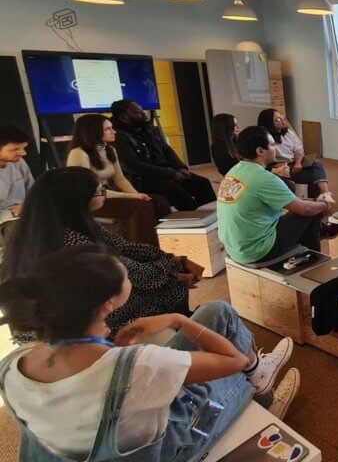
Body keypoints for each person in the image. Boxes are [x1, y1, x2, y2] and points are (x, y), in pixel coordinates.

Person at [0, 246, 299, 461]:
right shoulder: (137, 365)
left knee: (216, 311)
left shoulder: (11, 365)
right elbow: (233, 361)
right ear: (108, 304)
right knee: (239, 366)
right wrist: (177, 319)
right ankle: (258, 385)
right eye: (126, 276)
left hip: (101, 437)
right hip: (171, 449)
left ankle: (258, 375)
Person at [0, 167, 200, 336]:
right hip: (67, 320)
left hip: (82, 300)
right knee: (170, 286)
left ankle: (179, 325)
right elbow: (138, 274)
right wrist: (177, 270)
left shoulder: (54, 225)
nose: (104, 194)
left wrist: (174, 259)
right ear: (78, 199)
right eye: (100, 191)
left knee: (166, 277)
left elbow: (127, 248)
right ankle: (180, 331)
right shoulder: (69, 240)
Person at [218, 126, 331, 265]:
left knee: (310, 208)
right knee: (310, 212)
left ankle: (315, 236)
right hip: (257, 251)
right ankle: (316, 262)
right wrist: (324, 204)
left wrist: (313, 202)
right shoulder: (264, 178)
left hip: (234, 249)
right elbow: (305, 209)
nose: (275, 148)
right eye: (272, 145)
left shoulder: (235, 171)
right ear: (260, 151)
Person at [67, 114, 170, 246]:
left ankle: (170, 242)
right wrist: (134, 197)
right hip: (91, 200)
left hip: (105, 194)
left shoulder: (109, 149)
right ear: (93, 131)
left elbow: (120, 179)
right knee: (142, 207)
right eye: (108, 129)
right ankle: (148, 248)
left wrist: (136, 195)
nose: (114, 131)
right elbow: (92, 191)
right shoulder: (79, 153)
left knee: (159, 201)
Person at [110, 99, 216, 211]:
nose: (143, 113)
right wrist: (170, 174)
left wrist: (181, 167)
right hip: (142, 179)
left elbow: (167, 150)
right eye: (137, 112)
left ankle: (215, 216)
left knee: (202, 183)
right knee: (176, 191)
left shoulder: (150, 130)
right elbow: (133, 166)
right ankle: (197, 219)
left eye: (141, 110)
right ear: (124, 118)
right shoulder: (119, 137)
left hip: (165, 171)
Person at [257, 109, 335, 204]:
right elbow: (263, 162)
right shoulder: (265, 139)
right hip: (281, 167)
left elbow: (298, 150)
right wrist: (276, 167)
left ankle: (325, 194)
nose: (282, 119)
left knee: (317, 163)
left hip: (295, 162)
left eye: (281, 115)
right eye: (278, 119)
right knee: (313, 176)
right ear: (269, 123)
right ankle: (316, 202)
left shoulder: (288, 132)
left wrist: (298, 163)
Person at [0, 123, 33, 226]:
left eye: (23, 148)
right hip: (7, 221)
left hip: (25, 214)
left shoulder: (19, 163)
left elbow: (33, 191)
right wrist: (12, 213)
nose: (23, 153)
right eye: (15, 149)